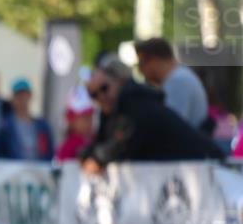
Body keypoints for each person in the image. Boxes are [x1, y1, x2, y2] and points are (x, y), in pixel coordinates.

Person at [81, 60, 223, 172]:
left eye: (104, 88)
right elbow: (104, 143)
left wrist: (97, 158)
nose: (101, 96)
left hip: (208, 167)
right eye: (93, 94)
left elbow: (122, 146)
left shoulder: (136, 104)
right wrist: (88, 155)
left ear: (120, 81)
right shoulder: (112, 113)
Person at [134, 38, 208, 130]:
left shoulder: (177, 81)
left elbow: (169, 127)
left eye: (141, 63)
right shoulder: (179, 76)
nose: (141, 70)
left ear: (154, 60)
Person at [0, 78, 54, 161]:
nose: (22, 99)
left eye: (24, 94)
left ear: (30, 95)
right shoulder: (5, 127)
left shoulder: (42, 126)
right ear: (13, 98)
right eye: (18, 95)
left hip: (38, 172)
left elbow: (48, 152)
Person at [55, 85, 95, 162]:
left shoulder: (95, 140)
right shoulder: (66, 147)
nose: (89, 122)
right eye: (84, 118)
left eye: (90, 117)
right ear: (71, 120)